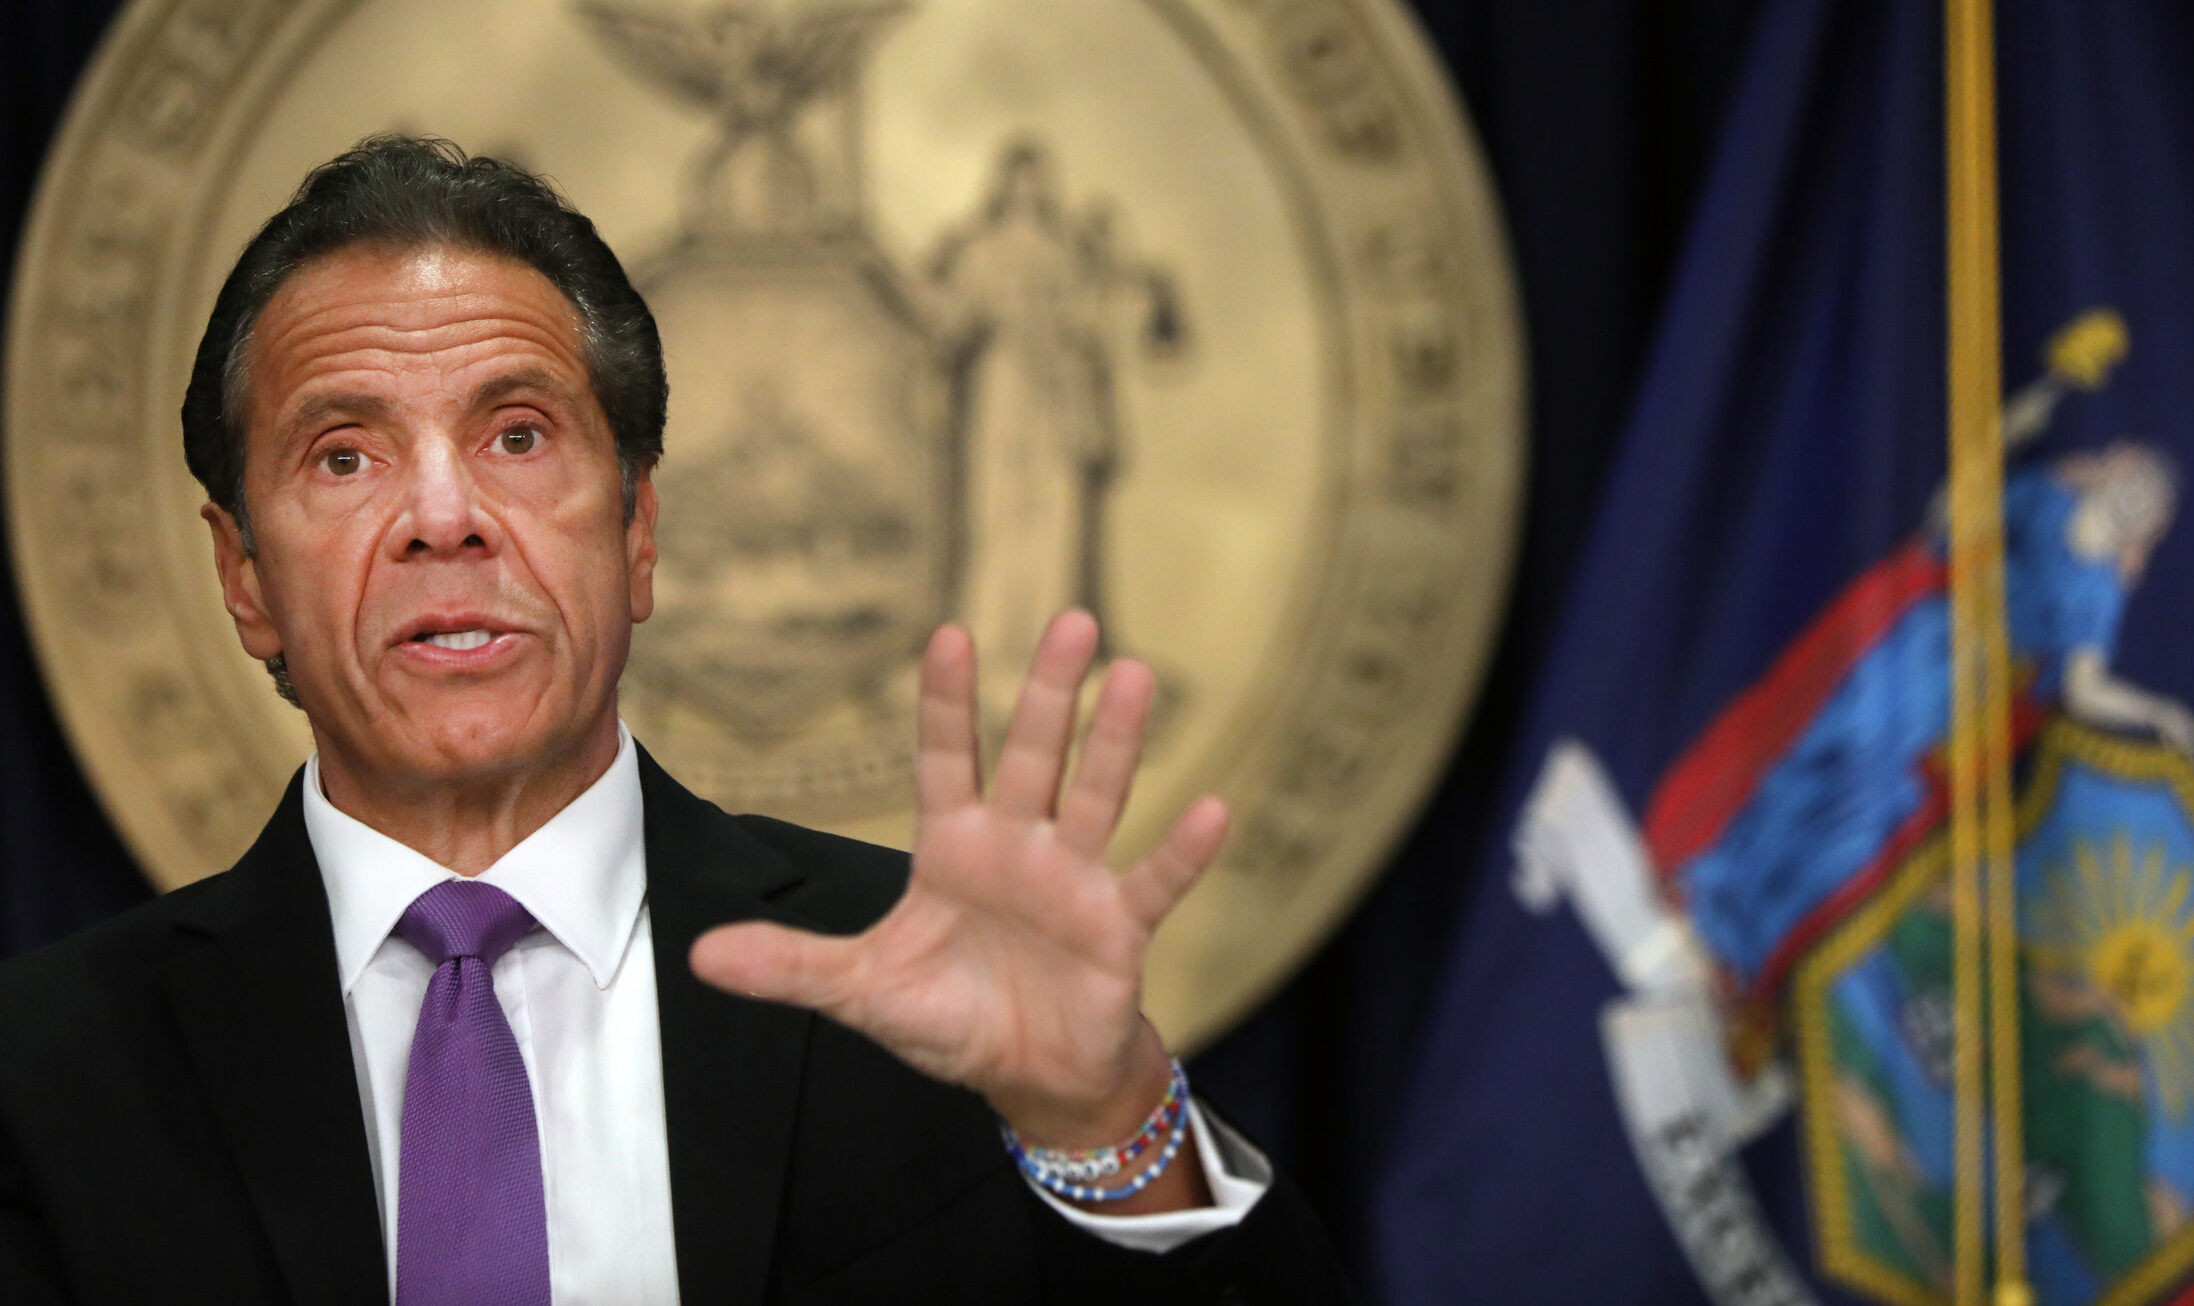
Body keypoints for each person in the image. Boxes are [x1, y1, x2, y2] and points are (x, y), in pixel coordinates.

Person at [0, 137, 1346, 1304]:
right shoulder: (44, 1076)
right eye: (345, 455)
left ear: (638, 531)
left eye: (517, 435)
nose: (443, 517)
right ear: (244, 577)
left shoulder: (918, 981)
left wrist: (1109, 1124)